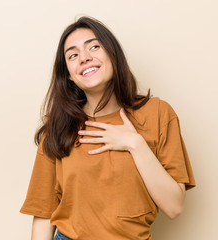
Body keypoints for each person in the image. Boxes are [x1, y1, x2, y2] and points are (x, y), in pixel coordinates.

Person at [20, 16, 195, 240]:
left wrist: (135, 144)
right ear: (69, 76)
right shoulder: (58, 129)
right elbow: (43, 214)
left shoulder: (158, 113)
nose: (84, 57)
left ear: (113, 55)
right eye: (73, 55)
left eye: (94, 46)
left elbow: (174, 206)